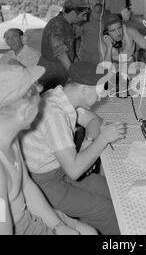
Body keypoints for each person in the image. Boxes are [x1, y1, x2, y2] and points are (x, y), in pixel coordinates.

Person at [20, 62, 126, 235]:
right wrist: (103, 139)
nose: (102, 97)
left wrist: (89, 142)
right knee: (105, 210)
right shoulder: (55, 114)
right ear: (84, 89)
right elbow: (75, 170)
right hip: (43, 184)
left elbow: (94, 121)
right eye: (100, 90)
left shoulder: (62, 97)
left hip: (59, 172)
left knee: (112, 189)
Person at [0, 64, 96, 235]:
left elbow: (27, 185)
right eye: (35, 95)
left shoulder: (10, 139)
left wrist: (58, 226)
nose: (41, 99)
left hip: (31, 215)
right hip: (21, 227)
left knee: (89, 232)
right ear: (25, 111)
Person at [39, 0, 90, 89]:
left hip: (61, 72)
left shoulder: (67, 25)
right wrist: (74, 75)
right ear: (73, 13)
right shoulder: (56, 25)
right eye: (83, 15)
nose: (85, 19)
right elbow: (60, 53)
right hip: (52, 76)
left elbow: (71, 54)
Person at [77, 0, 110, 64]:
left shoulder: (110, 17)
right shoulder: (83, 18)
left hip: (105, 61)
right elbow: (72, 38)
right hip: (87, 62)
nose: (98, 1)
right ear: (89, 2)